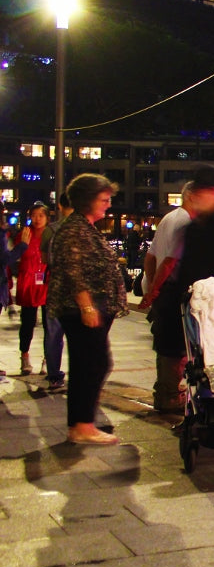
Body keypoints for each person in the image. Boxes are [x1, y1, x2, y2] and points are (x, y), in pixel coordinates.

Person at [47, 174, 128, 446]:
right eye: (103, 200)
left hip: (89, 309)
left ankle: (82, 423)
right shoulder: (74, 230)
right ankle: (82, 425)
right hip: (80, 309)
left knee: (90, 364)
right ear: (87, 200)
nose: (108, 205)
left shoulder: (84, 227)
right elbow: (73, 271)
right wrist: (87, 306)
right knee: (91, 364)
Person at [146, 169, 214, 414]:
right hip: (175, 293)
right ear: (192, 196)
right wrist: (156, 290)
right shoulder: (185, 222)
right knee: (177, 349)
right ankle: (170, 397)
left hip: (166, 292)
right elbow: (170, 261)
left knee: (167, 348)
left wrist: (152, 288)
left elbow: (150, 257)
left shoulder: (169, 218)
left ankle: (165, 394)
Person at [38, 192, 74, 391]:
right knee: (77, 334)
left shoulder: (50, 230)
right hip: (76, 288)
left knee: (53, 333)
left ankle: (54, 376)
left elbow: (44, 259)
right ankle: (79, 375)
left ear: (59, 206)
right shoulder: (83, 228)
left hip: (55, 286)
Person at [11, 202, 51, 376]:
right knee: (27, 322)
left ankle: (48, 359)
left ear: (47, 217)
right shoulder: (24, 234)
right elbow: (13, 258)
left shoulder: (51, 235)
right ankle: (24, 356)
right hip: (28, 283)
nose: (37, 219)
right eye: (34, 215)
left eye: (40, 215)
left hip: (47, 283)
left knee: (50, 326)